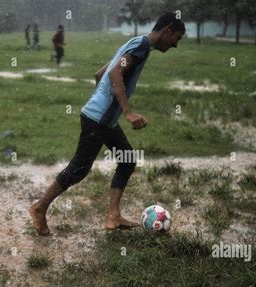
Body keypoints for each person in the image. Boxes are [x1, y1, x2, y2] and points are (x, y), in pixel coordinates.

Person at [29, 13, 186, 236]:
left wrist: (104, 105)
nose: (176, 45)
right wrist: (127, 111)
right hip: (99, 119)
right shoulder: (141, 45)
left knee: (127, 159)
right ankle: (39, 207)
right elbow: (114, 72)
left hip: (103, 119)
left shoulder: (135, 43)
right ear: (167, 30)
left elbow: (100, 73)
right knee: (78, 170)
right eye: (176, 38)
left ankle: (113, 216)